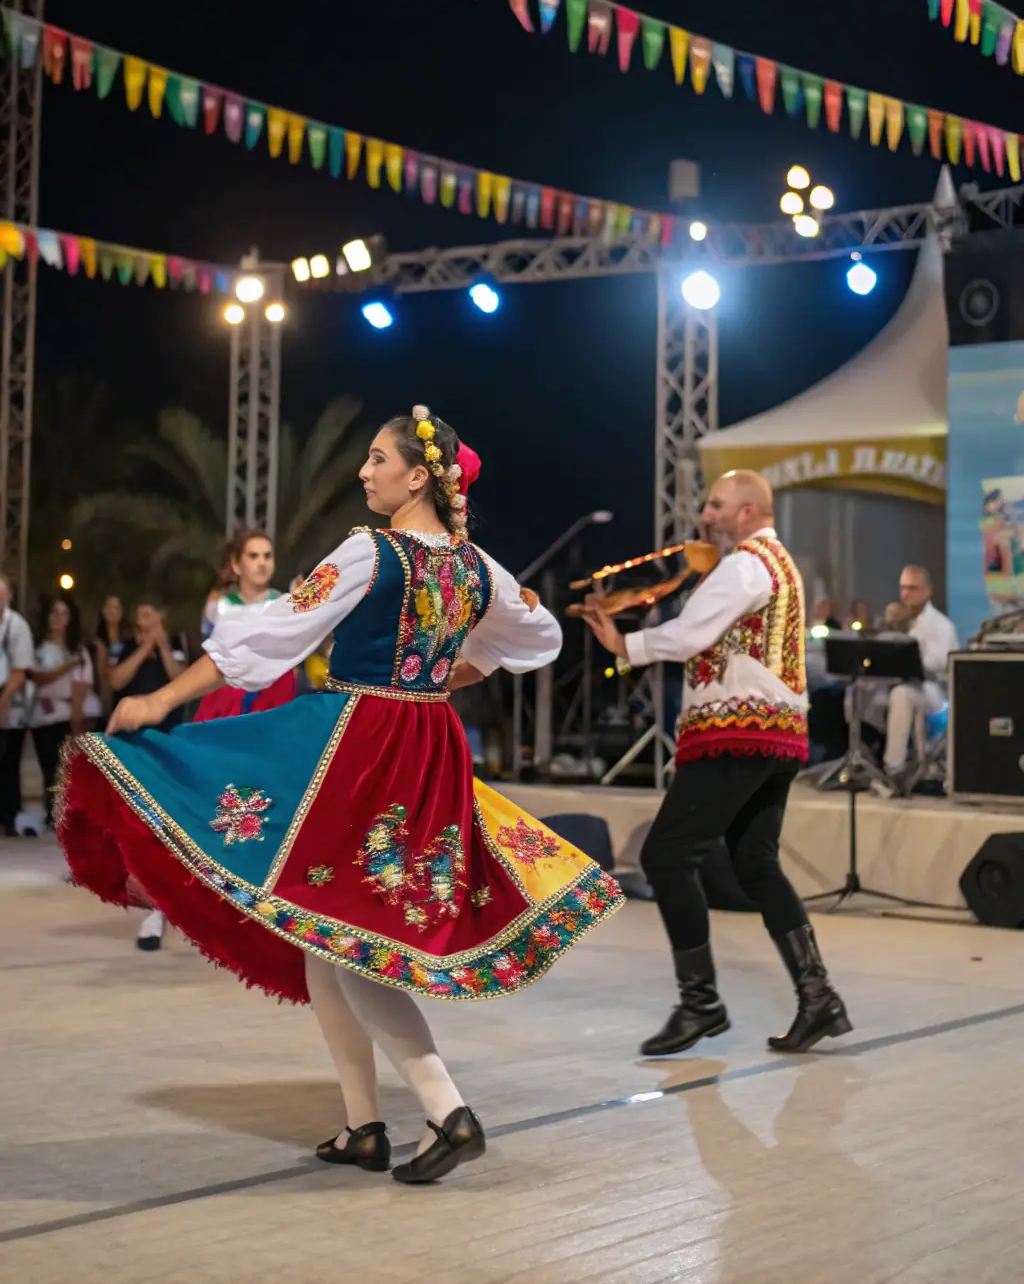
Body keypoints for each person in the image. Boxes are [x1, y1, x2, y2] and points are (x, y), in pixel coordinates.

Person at [57, 406, 622, 1184]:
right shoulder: (475, 565)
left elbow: (268, 634)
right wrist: (451, 669)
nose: (364, 471)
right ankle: (363, 1125)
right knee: (327, 941)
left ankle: (447, 1110)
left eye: (377, 458)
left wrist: (161, 701)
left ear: (417, 475)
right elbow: (540, 635)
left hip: (363, 745)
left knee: (354, 945)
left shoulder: (370, 551)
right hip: (426, 743)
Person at [584, 469, 850, 1057]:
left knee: (666, 855)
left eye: (717, 505)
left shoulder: (745, 565)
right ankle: (818, 996)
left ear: (749, 512)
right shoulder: (781, 565)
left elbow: (689, 636)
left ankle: (700, 1002)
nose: (707, 515)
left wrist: (625, 646)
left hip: (738, 731)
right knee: (755, 863)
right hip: (778, 734)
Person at [107, 599, 189, 950]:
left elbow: (180, 681)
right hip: (130, 746)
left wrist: (163, 647)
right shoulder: (124, 647)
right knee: (134, 823)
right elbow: (115, 680)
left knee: (165, 822)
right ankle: (149, 900)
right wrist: (144, 648)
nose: (144, 619)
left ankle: (165, 902)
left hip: (168, 744)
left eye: (150, 613)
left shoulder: (179, 647)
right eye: (139, 615)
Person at [867, 566, 958, 786]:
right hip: (899, 683)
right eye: (903, 588)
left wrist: (904, 649)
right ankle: (865, 756)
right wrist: (890, 627)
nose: (906, 593)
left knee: (902, 694)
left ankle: (894, 768)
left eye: (913, 588)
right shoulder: (900, 619)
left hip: (934, 691)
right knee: (860, 690)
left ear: (927, 591)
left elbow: (936, 664)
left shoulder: (940, 625)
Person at [196, 530, 296, 720]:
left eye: (267, 556)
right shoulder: (218, 606)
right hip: (224, 699)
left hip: (273, 700)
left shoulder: (286, 604)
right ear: (236, 564)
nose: (262, 563)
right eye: (253, 556)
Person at [29, 597, 93, 828]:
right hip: (42, 715)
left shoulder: (79, 651)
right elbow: (38, 676)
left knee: (66, 766)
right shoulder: (39, 649)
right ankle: (52, 812)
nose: (57, 617)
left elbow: (83, 685)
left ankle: (67, 814)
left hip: (68, 714)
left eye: (63, 613)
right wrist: (67, 666)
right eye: (54, 612)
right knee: (49, 767)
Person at [0, 575, 36, 836]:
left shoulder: (17, 626)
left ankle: (9, 817)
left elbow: (20, 672)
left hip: (11, 699)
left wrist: (4, 699)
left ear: (10, 596)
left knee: (8, 763)